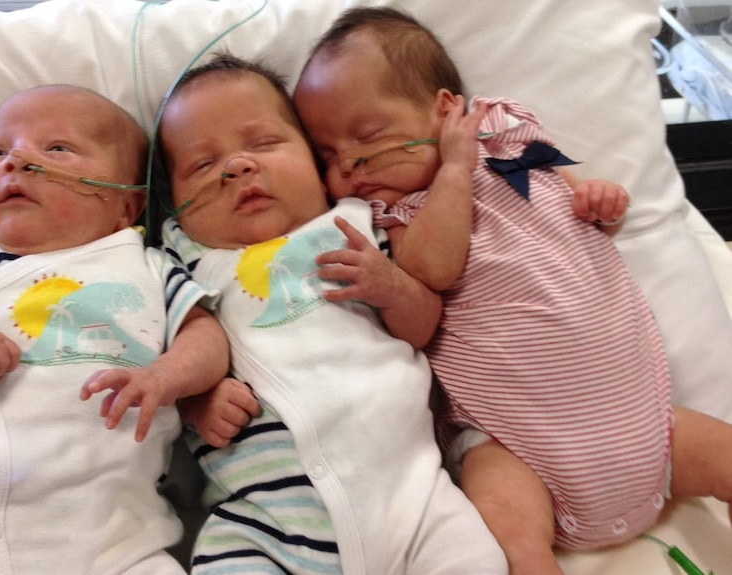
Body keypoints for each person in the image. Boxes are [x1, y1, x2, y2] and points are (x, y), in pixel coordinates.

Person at [292, 7, 732, 575]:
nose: (348, 163)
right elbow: (433, 269)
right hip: (517, 450)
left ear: (446, 110)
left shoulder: (506, 140)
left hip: (643, 427)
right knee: (511, 532)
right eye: (327, 155)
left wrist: (596, 198)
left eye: (368, 136)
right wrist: (452, 171)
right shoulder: (391, 213)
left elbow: (566, 200)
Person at [150, 53, 508, 575]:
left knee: (478, 561)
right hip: (267, 526)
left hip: (412, 501)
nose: (237, 167)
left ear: (320, 170)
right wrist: (194, 403)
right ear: (174, 206)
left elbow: (423, 324)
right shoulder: (181, 260)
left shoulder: (357, 222)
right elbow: (166, 358)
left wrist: (393, 289)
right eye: (203, 165)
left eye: (265, 143)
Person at [0, 84, 232, 574]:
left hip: (114, 540)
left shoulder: (143, 265)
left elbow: (205, 335)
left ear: (126, 208)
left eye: (56, 148)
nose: (15, 160)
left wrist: (166, 377)